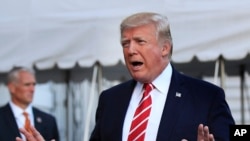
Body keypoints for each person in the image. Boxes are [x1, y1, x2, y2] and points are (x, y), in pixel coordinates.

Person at [15, 12, 235, 141]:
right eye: (125, 43)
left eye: (140, 42)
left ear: (165, 48)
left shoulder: (206, 97)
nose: (130, 50)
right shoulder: (111, 100)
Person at [0, 67, 60, 141]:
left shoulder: (49, 121)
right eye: (27, 84)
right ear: (12, 87)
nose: (32, 89)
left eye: (34, 84)